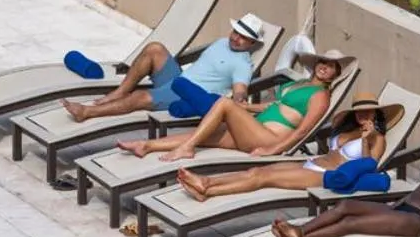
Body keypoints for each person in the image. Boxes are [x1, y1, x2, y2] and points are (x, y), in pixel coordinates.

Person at [115, 51, 356, 161]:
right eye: (323, 61)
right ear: (316, 64)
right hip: (255, 130)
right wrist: (245, 109)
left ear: (336, 74)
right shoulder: (301, 83)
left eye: (332, 65)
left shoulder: (321, 96)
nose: (325, 66)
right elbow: (274, 108)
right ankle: (146, 145)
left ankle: (186, 149)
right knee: (204, 134)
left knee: (222, 105)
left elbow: (304, 130)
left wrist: (274, 150)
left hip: (269, 139)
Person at [173, 91, 398, 200]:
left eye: (368, 111)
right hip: (310, 163)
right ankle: (207, 185)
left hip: (324, 176)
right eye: (359, 110)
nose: (363, 114)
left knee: (263, 179)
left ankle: (209, 188)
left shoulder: (377, 138)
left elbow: (370, 166)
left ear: (376, 113)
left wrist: (367, 141)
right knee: (256, 171)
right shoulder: (348, 130)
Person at [270, 132, 420, 237]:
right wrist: (392, 206)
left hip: (414, 221)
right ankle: (301, 230)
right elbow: (417, 194)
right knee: (345, 206)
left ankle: (299, 236)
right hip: (399, 209)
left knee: (351, 224)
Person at [62, 13, 266, 124]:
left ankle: (87, 112)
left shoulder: (242, 65)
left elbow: (240, 91)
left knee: (140, 98)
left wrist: (239, 100)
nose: (236, 38)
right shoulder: (222, 42)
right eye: (235, 32)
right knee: (155, 49)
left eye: (243, 38)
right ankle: (119, 92)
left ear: (252, 43)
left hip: (188, 94)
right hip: (179, 79)